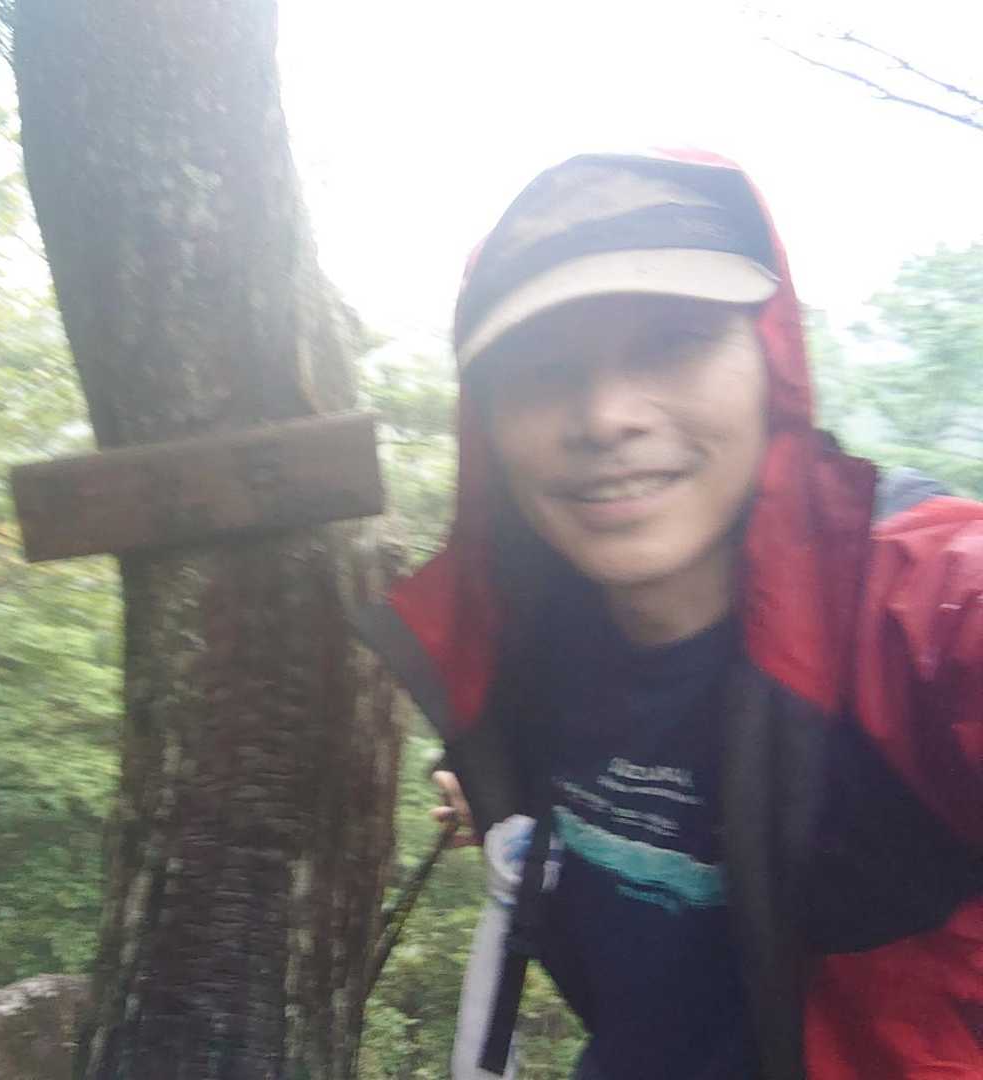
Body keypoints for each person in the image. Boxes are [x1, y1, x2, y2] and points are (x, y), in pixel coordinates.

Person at [357, 151, 983, 1079]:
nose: (605, 416)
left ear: (771, 362)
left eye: (673, 342)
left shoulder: (916, 607)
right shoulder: (532, 644)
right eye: (540, 369)